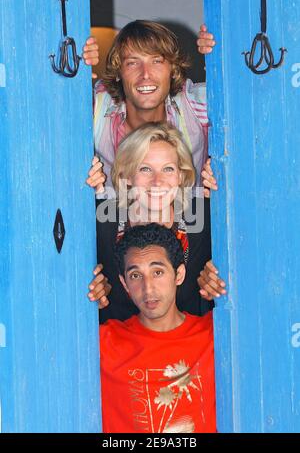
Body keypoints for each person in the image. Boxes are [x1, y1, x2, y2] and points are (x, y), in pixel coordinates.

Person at [83, 21, 226, 302]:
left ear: (172, 69)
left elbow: (249, 97)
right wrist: (77, 64)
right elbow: (48, 99)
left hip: (190, 230)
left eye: (157, 61)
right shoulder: (98, 108)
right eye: (132, 63)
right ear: (119, 72)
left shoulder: (192, 105)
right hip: (117, 232)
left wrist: (221, 54)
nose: (145, 75)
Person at [91, 122, 220, 323]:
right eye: (145, 169)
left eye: (168, 169)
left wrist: (213, 289)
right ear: (126, 176)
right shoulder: (102, 223)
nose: (157, 181)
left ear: (181, 175)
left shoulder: (203, 219)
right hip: (120, 347)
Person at [100, 222, 216, 433]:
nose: (148, 288)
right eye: (135, 276)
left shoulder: (215, 335)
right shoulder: (103, 342)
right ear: (124, 284)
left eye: (158, 272)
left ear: (178, 275)